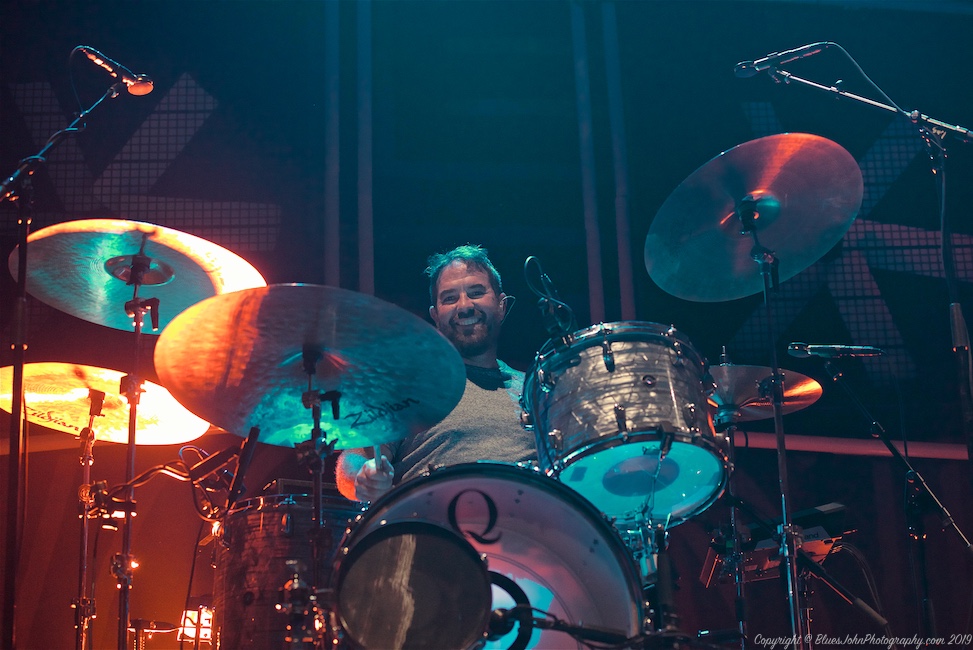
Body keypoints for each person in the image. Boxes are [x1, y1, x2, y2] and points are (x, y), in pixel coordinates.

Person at [335, 244, 536, 502]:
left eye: (476, 292)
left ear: (501, 306)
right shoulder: (409, 385)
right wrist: (363, 478)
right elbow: (352, 461)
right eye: (449, 298)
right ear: (436, 316)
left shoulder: (536, 389)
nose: (464, 306)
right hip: (433, 531)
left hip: (531, 529)